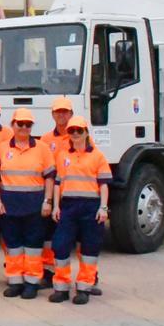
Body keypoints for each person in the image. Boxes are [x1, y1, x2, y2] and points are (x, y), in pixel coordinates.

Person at [0, 108, 55, 299]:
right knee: (13, 245)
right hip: (9, 205)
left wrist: (48, 201)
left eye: (28, 124)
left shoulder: (42, 148)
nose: (24, 128)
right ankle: (15, 281)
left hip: (34, 205)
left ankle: (32, 283)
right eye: (20, 124)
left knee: (33, 246)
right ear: (13, 125)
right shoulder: (2, 148)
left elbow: (49, 177)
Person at [50, 115, 111, 305]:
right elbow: (58, 182)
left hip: (90, 206)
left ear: (86, 133)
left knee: (89, 248)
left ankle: (84, 287)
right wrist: (55, 206)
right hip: (68, 206)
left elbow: (103, 184)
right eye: (71, 131)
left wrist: (103, 207)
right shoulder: (62, 155)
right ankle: (61, 287)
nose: (75, 134)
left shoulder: (98, 156)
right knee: (60, 245)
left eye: (79, 131)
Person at [39, 96, 75, 288]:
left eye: (65, 111)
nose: (61, 115)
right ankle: (48, 271)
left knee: (71, 235)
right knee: (47, 235)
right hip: (52, 191)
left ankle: (87, 276)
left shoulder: (78, 136)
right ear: (52, 114)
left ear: (71, 114)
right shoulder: (45, 139)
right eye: (58, 111)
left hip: (73, 193)